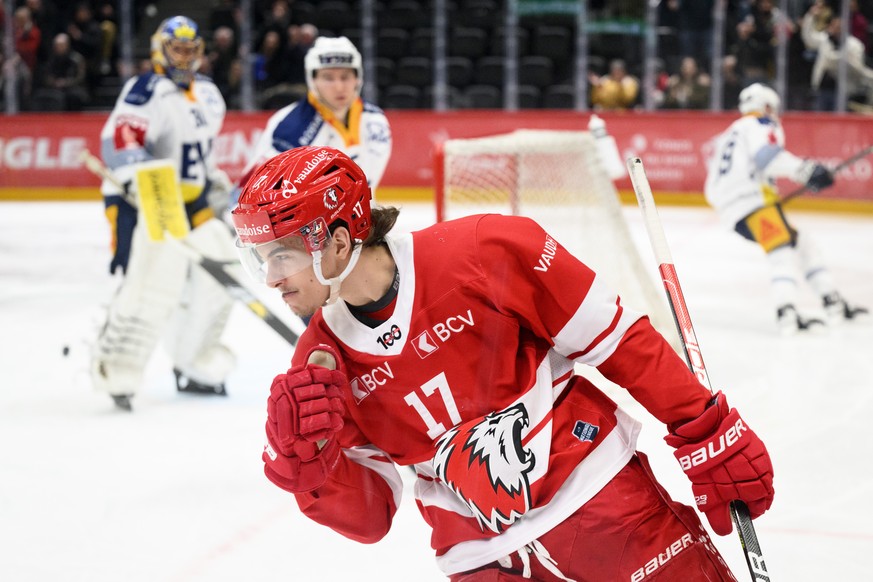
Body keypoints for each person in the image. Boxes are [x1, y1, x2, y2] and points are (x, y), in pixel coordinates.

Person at [230, 146, 775, 580]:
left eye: (283, 254)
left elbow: (617, 342)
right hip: (483, 563)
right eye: (260, 258)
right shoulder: (319, 365)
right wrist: (310, 473)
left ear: (340, 241)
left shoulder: (486, 250)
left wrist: (704, 426)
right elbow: (372, 517)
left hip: (606, 509)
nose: (272, 277)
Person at [92, 15, 237, 411]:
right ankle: (117, 370)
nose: (184, 57)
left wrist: (214, 182)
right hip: (150, 201)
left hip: (193, 203)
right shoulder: (145, 90)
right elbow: (119, 141)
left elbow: (200, 154)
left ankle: (195, 363)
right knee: (150, 287)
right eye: (177, 48)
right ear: (160, 48)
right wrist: (141, 176)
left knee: (224, 274)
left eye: (191, 50)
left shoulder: (208, 94)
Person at [704, 83, 868, 333]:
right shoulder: (760, 124)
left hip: (736, 206)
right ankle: (787, 312)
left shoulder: (729, 133)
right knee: (781, 248)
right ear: (767, 106)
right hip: (752, 202)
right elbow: (766, 158)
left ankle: (831, 299)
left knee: (801, 242)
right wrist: (806, 171)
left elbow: (714, 183)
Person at [229, 35, 392, 212]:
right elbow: (249, 195)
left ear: (357, 78)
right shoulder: (288, 127)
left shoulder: (376, 121)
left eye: (345, 76)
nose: (339, 87)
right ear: (312, 79)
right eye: (328, 78)